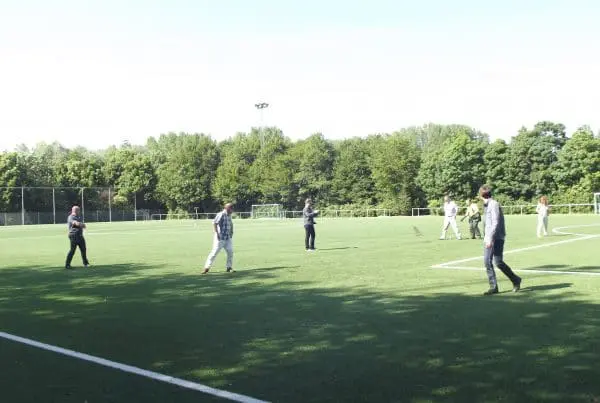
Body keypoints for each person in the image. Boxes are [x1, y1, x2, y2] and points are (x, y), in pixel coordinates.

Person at [480, 185, 522, 295]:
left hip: (496, 237)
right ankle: (494, 286)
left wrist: (490, 238)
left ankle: (515, 280)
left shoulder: (493, 204)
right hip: (489, 237)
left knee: (497, 262)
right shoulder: (486, 205)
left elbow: (495, 222)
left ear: (481, 195)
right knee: (488, 261)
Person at [202, 203, 235, 274]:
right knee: (214, 253)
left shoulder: (229, 215)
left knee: (230, 252)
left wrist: (232, 231)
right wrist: (217, 233)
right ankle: (206, 268)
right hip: (220, 238)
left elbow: (230, 223)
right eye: (232, 208)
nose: (233, 210)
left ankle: (229, 267)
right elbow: (214, 223)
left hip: (228, 238)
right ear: (227, 208)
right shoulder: (221, 214)